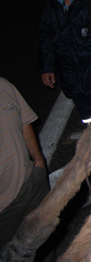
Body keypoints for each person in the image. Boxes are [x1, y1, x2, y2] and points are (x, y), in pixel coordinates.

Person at [0, 78, 49, 250]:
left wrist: (39, 162)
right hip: (3, 210)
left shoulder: (3, 85)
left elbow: (24, 119)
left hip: (32, 183)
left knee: (44, 241)